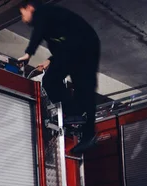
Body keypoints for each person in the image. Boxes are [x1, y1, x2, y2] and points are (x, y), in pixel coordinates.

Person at [17, 0, 101, 155]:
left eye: (23, 14)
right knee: (80, 87)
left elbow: (39, 31)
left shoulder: (43, 12)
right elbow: (62, 47)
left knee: (71, 84)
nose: (23, 19)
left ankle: (75, 114)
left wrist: (29, 53)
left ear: (29, 8)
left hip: (86, 45)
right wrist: (50, 60)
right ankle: (87, 133)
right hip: (78, 48)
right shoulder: (52, 25)